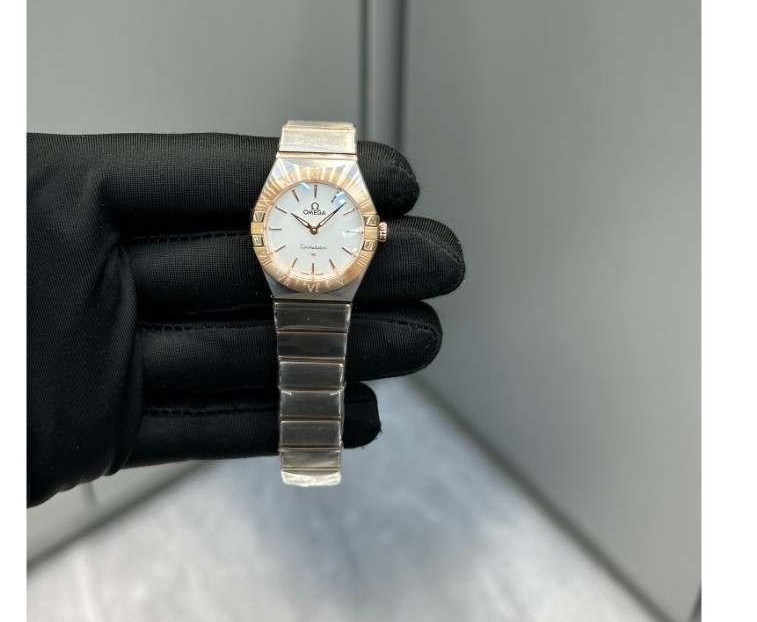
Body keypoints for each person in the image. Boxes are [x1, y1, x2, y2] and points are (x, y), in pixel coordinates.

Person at [27, 132, 465, 506]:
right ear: (261, 226)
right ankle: (309, 453)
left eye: (321, 225)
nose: (314, 229)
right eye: (307, 225)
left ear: (374, 231)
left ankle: (312, 453)